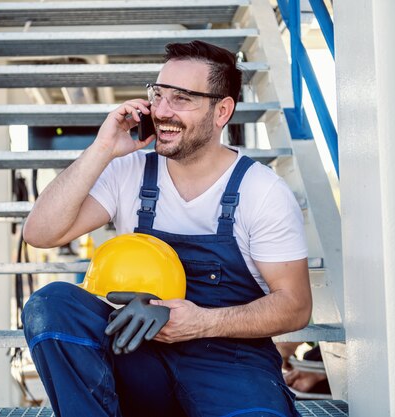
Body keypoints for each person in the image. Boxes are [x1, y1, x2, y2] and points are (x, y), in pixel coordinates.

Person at [21, 40, 312, 417]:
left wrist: (203, 323)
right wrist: (103, 148)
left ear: (222, 111)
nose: (160, 111)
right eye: (157, 94)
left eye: (181, 99)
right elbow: (40, 233)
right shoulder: (129, 173)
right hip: (137, 353)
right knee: (51, 304)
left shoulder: (262, 191)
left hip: (231, 364)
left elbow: (295, 306)